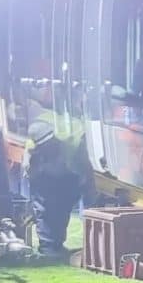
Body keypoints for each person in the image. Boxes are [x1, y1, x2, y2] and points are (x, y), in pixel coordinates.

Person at [23, 78, 88, 262]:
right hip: (52, 175)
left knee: (57, 210)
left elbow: (81, 159)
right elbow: (29, 159)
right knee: (48, 210)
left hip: (63, 176)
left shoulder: (70, 132)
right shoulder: (54, 127)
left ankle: (54, 245)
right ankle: (49, 246)